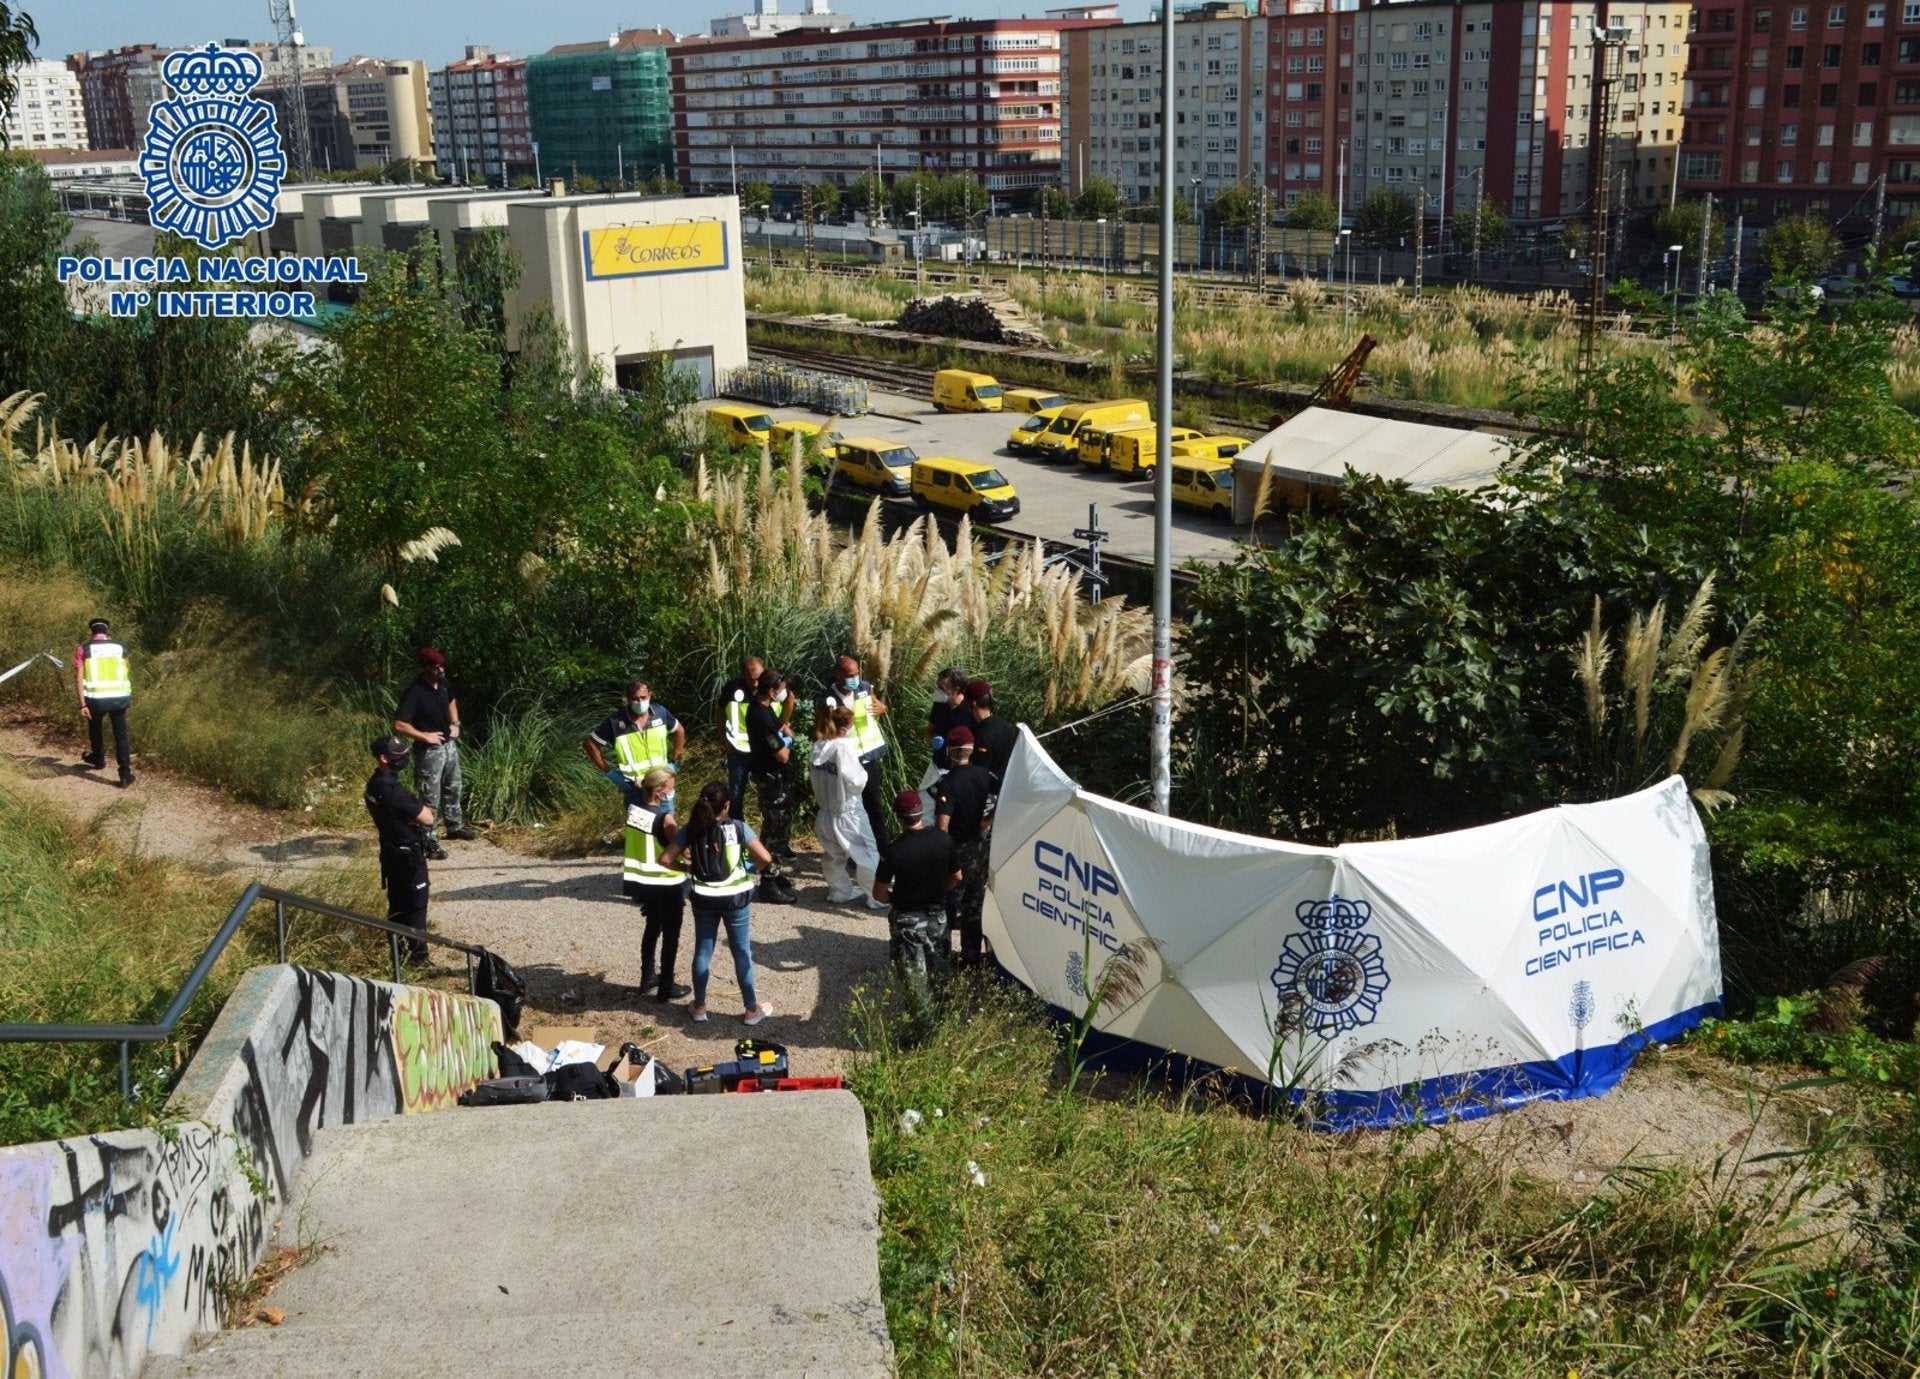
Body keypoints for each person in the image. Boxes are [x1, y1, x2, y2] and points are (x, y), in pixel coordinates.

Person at [663, 781, 777, 1026]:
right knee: (741, 952)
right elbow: (765, 858)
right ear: (726, 806)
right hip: (736, 898)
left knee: (704, 950)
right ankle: (750, 1009)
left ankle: (700, 1006)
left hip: (704, 898)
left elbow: (665, 859)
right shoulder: (738, 828)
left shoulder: (691, 829)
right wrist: (749, 868)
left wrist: (687, 868)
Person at [873, 789, 960, 1031]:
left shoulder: (893, 851)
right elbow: (957, 876)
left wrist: (898, 897)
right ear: (922, 812)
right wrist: (939, 892)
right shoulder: (944, 840)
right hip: (937, 917)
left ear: (898, 817)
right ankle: (947, 1017)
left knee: (914, 978)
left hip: (907, 920)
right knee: (941, 968)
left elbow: (878, 893)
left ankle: (924, 1030)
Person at [394, 648, 474, 859]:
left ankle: (454, 826)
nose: (440, 670)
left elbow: (451, 701)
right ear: (424, 669)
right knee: (430, 797)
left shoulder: (443, 683)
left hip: (449, 746)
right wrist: (424, 736)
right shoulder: (415, 691)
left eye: (441, 666)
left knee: (454, 787)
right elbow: (400, 725)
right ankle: (428, 842)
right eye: (435, 667)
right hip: (430, 752)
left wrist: (455, 723)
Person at [364, 734, 435, 964]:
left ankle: (398, 954)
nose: (403, 758)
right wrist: (413, 815)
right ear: (383, 758)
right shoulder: (393, 791)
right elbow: (427, 818)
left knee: (397, 905)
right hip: (408, 856)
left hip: (390, 853)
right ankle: (419, 960)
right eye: (398, 756)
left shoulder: (373, 785)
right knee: (415, 907)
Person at [624, 767, 692, 1002]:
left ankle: (647, 977)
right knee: (671, 936)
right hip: (666, 882)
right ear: (660, 790)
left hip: (643, 881)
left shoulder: (633, 810)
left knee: (652, 927)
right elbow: (681, 847)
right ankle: (666, 986)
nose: (673, 791)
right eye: (671, 787)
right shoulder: (666, 819)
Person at [934, 727, 998, 969]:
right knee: (974, 904)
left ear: (950, 751)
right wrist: (986, 821)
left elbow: (942, 825)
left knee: (947, 902)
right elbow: (1006, 795)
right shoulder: (984, 775)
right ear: (971, 751)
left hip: (957, 850)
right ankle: (971, 957)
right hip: (979, 847)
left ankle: (942, 954)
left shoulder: (948, 784)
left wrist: (939, 857)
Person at [809, 705, 882, 907]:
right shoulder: (843, 747)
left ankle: (839, 891)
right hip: (848, 812)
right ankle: (875, 897)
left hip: (825, 813)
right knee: (867, 852)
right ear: (844, 727)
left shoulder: (817, 747)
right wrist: (865, 774)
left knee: (833, 856)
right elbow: (856, 781)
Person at [823, 653, 893, 860]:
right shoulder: (828, 699)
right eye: (849, 675)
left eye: (856, 673)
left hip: (868, 755)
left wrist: (883, 708)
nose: (854, 678)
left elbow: (878, 705)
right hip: (846, 761)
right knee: (851, 809)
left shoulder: (864, 688)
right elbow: (822, 730)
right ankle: (856, 854)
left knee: (874, 806)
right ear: (837, 675)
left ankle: (884, 852)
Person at [585, 680, 685, 805]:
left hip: (662, 784)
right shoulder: (615, 722)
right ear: (628, 699)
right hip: (635, 787)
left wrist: (675, 764)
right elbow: (590, 744)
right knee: (638, 824)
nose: (640, 702)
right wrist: (609, 772)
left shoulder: (660, 713)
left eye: (643, 697)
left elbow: (679, 731)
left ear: (649, 695)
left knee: (668, 822)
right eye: (635, 699)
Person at [744, 670, 799, 898]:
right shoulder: (760, 715)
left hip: (775, 777)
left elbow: (783, 727)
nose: (784, 693)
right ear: (772, 690)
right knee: (773, 829)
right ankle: (768, 882)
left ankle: (775, 874)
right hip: (770, 778)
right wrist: (787, 744)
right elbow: (783, 755)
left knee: (780, 824)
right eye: (782, 689)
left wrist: (787, 735)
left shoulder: (764, 709)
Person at [718, 654, 787, 822]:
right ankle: (737, 828)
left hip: (765, 751)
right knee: (736, 793)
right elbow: (719, 712)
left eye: (758, 678)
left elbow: (783, 713)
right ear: (743, 675)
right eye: (750, 679)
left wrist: (785, 731)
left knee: (769, 794)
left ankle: (767, 833)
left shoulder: (773, 687)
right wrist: (723, 739)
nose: (755, 683)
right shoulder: (732, 688)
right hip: (738, 749)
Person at [74, 617, 134, 787]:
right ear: (108, 632)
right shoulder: (120, 647)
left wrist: (82, 704)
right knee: (121, 736)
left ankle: (98, 759)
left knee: (95, 728)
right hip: (119, 697)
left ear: (91, 632)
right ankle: (124, 775)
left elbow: (79, 677)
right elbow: (127, 668)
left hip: (95, 698)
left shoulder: (84, 649)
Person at [965, 679, 1018, 787]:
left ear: (973, 703)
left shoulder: (985, 735)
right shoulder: (1001, 723)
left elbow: (979, 772)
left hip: (989, 789)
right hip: (1003, 784)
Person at [926, 667, 971, 773]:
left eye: (942, 687)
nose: (937, 690)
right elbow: (929, 731)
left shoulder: (968, 711)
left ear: (956, 689)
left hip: (957, 770)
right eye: (937, 685)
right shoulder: (939, 705)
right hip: (936, 765)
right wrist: (932, 740)